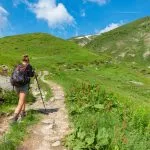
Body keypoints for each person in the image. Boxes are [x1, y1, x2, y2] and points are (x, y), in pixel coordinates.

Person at [10, 55, 34, 123]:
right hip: (24, 85)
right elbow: (31, 75)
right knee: (20, 102)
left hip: (16, 85)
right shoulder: (29, 66)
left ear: (22, 60)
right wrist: (33, 72)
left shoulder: (18, 65)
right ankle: (15, 118)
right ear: (28, 61)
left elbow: (12, 75)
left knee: (21, 100)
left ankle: (23, 113)